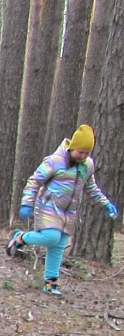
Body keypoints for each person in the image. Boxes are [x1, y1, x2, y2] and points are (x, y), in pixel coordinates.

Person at [7, 123, 118, 297]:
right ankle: (20, 238)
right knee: (51, 237)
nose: (82, 156)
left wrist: (105, 203)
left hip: (69, 213)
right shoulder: (55, 161)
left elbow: (91, 188)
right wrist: (27, 202)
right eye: (80, 152)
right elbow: (34, 181)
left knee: (58, 246)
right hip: (48, 207)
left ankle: (50, 283)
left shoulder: (87, 165)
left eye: (87, 153)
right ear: (72, 147)